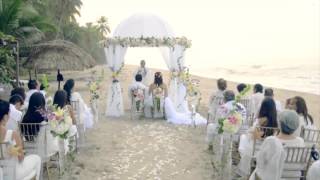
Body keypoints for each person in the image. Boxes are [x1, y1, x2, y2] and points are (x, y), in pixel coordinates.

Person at [249, 110, 305, 180]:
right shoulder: (300, 141)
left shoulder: (271, 141)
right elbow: (303, 164)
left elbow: (259, 161)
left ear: (279, 124)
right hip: (293, 177)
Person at [0, 100, 41, 180]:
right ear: (5, 117)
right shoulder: (13, 134)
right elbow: (21, 158)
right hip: (14, 173)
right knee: (37, 158)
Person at [238, 97, 278, 176]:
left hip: (257, 147)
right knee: (245, 138)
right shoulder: (276, 121)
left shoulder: (261, 120)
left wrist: (250, 132)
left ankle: (245, 172)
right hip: (269, 148)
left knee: (243, 139)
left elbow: (255, 136)